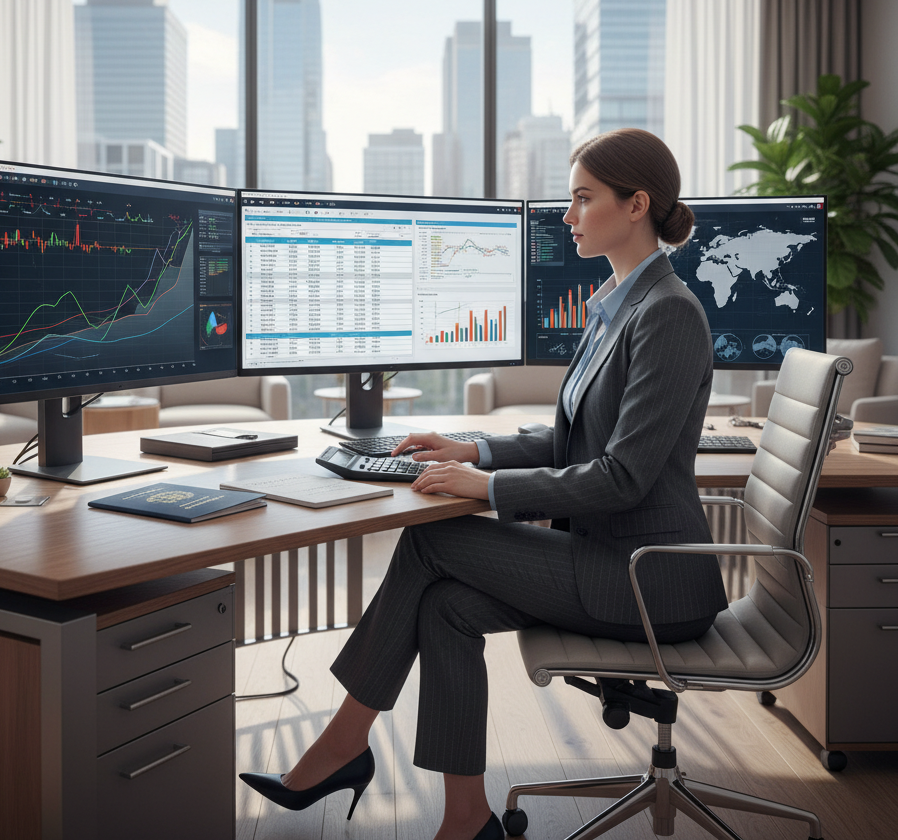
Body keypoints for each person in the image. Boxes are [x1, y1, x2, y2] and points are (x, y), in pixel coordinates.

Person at [240, 128, 729, 840]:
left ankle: (343, 744)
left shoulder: (669, 313)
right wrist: (473, 447)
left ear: (636, 205)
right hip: (605, 559)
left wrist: (483, 489)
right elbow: (569, 442)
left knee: (430, 546)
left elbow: (622, 477)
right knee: (444, 608)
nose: (567, 216)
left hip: (649, 580)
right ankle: (467, 819)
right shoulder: (617, 303)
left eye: (583, 199)